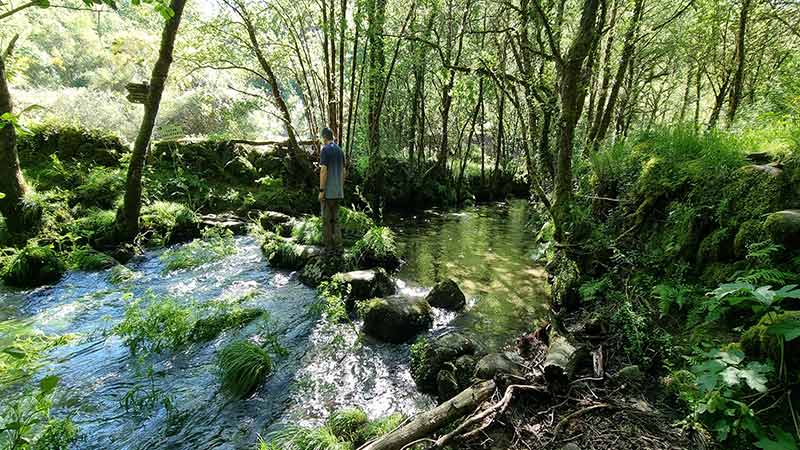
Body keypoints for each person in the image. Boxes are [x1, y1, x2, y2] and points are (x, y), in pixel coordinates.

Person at [319, 127, 345, 254]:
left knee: (327, 221)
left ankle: (329, 249)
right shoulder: (340, 150)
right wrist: (340, 187)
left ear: (324, 137)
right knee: (336, 220)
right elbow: (344, 171)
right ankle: (339, 248)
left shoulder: (325, 150)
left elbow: (323, 171)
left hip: (328, 193)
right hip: (338, 192)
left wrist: (321, 190)